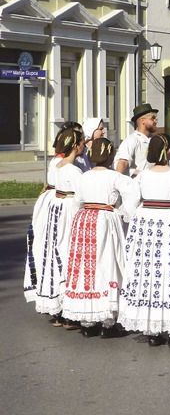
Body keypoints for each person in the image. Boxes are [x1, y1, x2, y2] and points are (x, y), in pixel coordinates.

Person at [119, 134, 170, 348]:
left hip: (146, 225)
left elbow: (130, 205)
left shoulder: (143, 176)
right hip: (169, 223)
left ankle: (153, 331)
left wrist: (140, 217)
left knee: (149, 273)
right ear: (169, 152)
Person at [61, 138, 136, 338]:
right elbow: (133, 194)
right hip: (104, 220)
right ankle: (107, 323)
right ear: (110, 156)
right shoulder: (115, 177)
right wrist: (122, 212)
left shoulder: (84, 176)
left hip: (84, 220)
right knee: (106, 264)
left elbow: (77, 201)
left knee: (86, 266)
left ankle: (88, 322)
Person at [34, 128, 85, 328]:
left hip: (58, 209)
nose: (84, 145)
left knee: (57, 255)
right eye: (81, 142)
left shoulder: (60, 165)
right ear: (75, 146)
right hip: (69, 211)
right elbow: (81, 194)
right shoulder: (73, 170)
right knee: (68, 255)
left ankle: (59, 308)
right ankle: (68, 310)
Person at [115, 103, 158, 177]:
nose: (155, 121)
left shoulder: (155, 140)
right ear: (142, 121)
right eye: (152, 118)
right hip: (136, 185)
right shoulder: (132, 140)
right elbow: (122, 165)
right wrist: (142, 173)